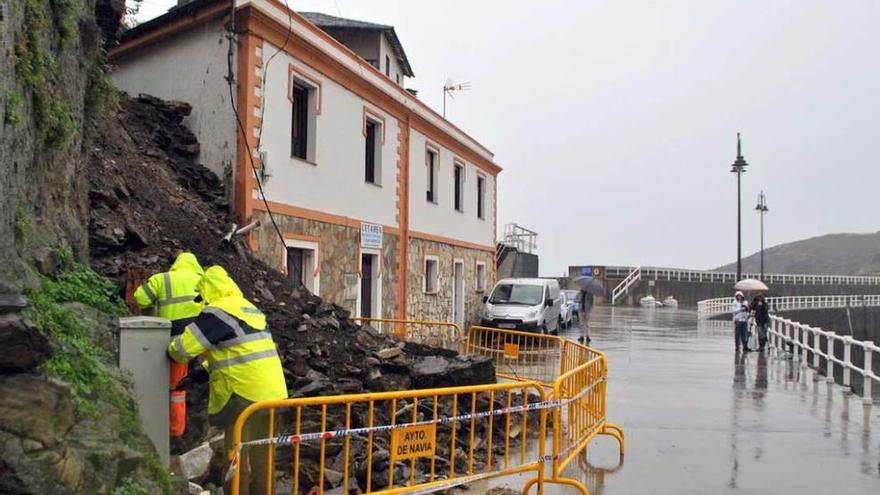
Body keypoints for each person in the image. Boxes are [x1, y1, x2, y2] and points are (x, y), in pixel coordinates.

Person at [167, 265, 287, 495]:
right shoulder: (248, 308)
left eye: (202, 297)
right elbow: (237, 351)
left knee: (236, 456)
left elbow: (182, 350)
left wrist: (169, 347)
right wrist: (202, 371)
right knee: (263, 457)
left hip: (245, 396)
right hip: (275, 395)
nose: (201, 303)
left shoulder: (218, 311)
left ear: (209, 291)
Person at [133, 252, 204, 437]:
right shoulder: (204, 280)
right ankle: (195, 428)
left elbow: (140, 299)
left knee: (176, 388)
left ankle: (175, 430)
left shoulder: (162, 279)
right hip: (203, 341)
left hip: (175, 342)